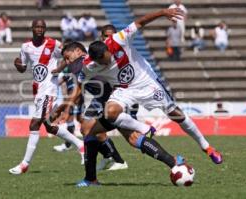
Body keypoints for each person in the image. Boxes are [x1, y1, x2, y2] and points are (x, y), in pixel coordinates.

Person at [75, 7, 222, 187]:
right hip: (124, 89)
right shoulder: (89, 65)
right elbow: (79, 76)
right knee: (110, 112)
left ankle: (207, 147)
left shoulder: (119, 39)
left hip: (147, 83)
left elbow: (141, 22)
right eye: (102, 62)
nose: (106, 62)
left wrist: (163, 13)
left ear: (107, 49)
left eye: (106, 57)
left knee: (176, 115)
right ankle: (143, 130)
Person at [9, 19, 85, 175]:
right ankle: (81, 145)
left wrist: (58, 69)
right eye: (37, 26)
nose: (39, 29)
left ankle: (24, 164)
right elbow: (22, 68)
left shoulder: (53, 43)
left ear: (45, 29)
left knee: (34, 124)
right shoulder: (26, 47)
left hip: (49, 89)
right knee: (49, 126)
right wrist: (17, 64)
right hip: (37, 90)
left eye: (42, 27)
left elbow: (68, 56)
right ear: (32, 28)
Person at [53, 25, 130, 171]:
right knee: (87, 129)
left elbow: (79, 88)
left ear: (77, 51)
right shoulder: (84, 60)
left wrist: (65, 108)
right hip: (98, 97)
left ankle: (117, 160)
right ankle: (113, 159)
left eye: (67, 58)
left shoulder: (82, 62)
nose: (67, 62)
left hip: (109, 95)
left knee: (128, 133)